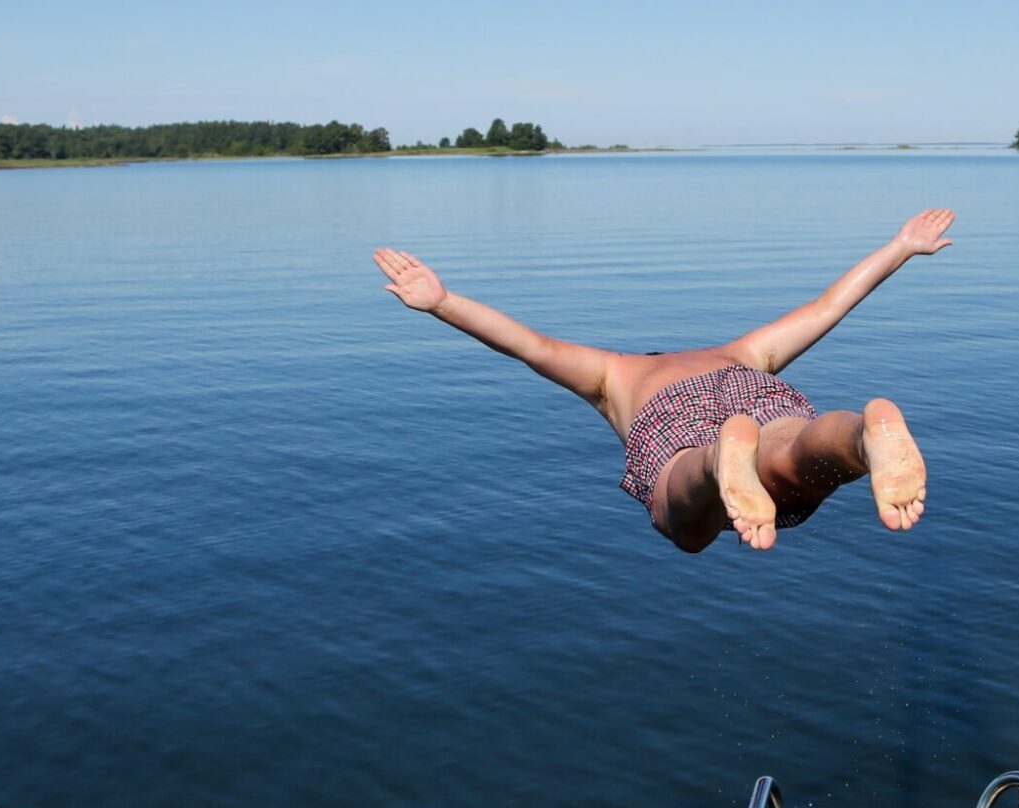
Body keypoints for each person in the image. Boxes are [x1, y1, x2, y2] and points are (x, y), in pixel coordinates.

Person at [373, 209, 955, 552]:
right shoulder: (742, 353)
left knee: (687, 522)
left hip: (673, 418)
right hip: (752, 391)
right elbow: (827, 307)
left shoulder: (614, 374)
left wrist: (443, 303)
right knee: (798, 454)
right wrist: (901, 247)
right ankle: (859, 436)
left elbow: (530, 346)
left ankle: (716, 460)